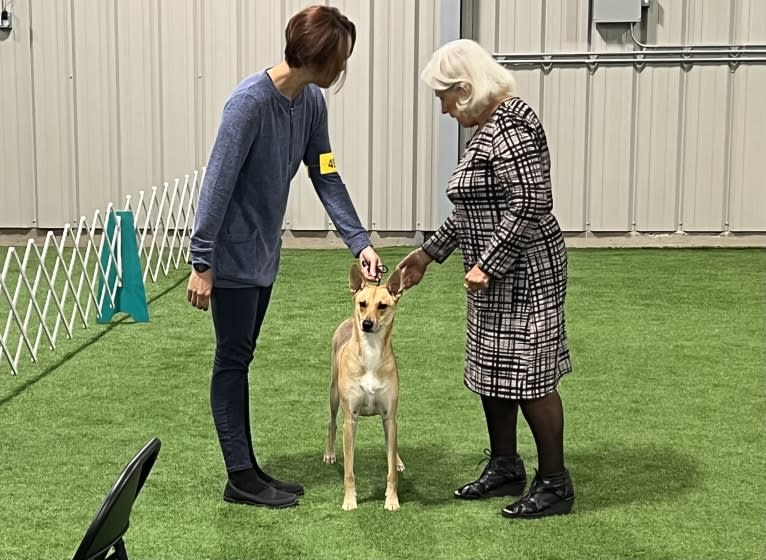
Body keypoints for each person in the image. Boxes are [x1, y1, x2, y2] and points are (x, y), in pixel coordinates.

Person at [186, 5, 382, 509]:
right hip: (228, 258)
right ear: (317, 57)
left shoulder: (311, 104)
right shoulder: (247, 105)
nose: (342, 69)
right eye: (339, 59)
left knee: (241, 357)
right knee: (231, 360)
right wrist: (201, 261)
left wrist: (359, 242)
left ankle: (248, 469)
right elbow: (217, 183)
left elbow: (325, 173)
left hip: (262, 256)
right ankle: (239, 477)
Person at [397, 39, 575, 519]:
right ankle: (505, 466)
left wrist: (489, 262)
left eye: (443, 98)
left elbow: (532, 203)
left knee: (531, 378)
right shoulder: (490, 128)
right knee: (494, 373)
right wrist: (427, 254)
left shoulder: (512, 124)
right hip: (493, 275)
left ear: (464, 88)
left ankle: (555, 485)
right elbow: (475, 209)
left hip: (524, 273)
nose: (443, 110)